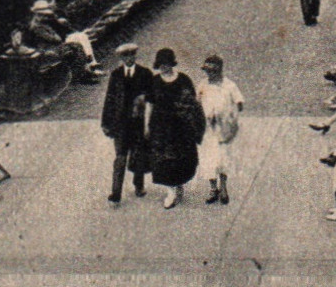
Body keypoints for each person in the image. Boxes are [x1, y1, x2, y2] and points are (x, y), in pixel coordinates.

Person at [145, 49, 205, 209]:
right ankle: (170, 191)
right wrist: (147, 126)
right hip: (160, 127)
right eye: (160, 64)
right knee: (163, 159)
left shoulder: (184, 80)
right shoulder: (155, 81)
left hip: (181, 127)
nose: (163, 67)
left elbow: (192, 104)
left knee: (182, 158)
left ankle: (178, 184)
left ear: (172, 63)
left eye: (166, 64)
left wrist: (194, 126)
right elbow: (150, 104)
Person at [101, 43, 153, 204]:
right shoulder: (116, 75)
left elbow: (153, 97)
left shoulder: (145, 73)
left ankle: (139, 186)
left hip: (139, 123)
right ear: (122, 58)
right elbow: (110, 99)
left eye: (131, 55)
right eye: (125, 56)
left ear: (135, 56)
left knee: (139, 156)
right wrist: (106, 123)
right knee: (120, 158)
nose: (129, 58)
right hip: (121, 125)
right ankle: (116, 192)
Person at [195, 55, 245, 205]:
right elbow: (196, 103)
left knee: (223, 158)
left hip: (224, 129)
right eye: (207, 71)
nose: (210, 74)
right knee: (209, 159)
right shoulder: (203, 85)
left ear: (220, 70)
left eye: (213, 71)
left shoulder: (229, 85)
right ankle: (212, 188)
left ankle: (223, 187)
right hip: (207, 129)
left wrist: (228, 114)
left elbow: (239, 104)